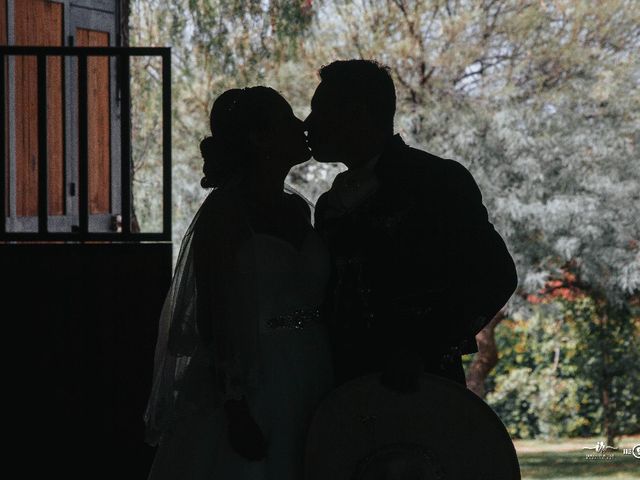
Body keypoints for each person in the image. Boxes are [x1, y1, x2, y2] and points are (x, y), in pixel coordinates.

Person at [144, 86, 334, 479]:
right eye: (287, 120)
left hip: (315, 366)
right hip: (259, 378)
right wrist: (235, 405)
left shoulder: (297, 208)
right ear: (259, 138)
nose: (301, 126)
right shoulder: (226, 215)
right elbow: (210, 316)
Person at [305, 59, 518, 392]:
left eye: (320, 111)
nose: (308, 124)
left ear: (357, 113)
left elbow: (496, 275)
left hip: (424, 385)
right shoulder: (328, 205)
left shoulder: (438, 181)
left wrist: (422, 351)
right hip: (343, 387)